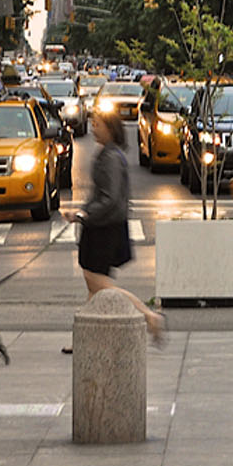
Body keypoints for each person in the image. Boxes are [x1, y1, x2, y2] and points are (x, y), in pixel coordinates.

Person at [61, 113, 166, 350]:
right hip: (101, 226)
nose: (93, 129)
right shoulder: (107, 154)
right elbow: (100, 196)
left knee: (98, 284)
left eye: (98, 125)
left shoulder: (111, 158)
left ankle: (149, 316)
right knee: (94, 289)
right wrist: (81, 212)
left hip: (104, 229)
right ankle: (85, 338)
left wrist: (83, 215)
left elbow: (109, 199)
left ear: (110, 129)